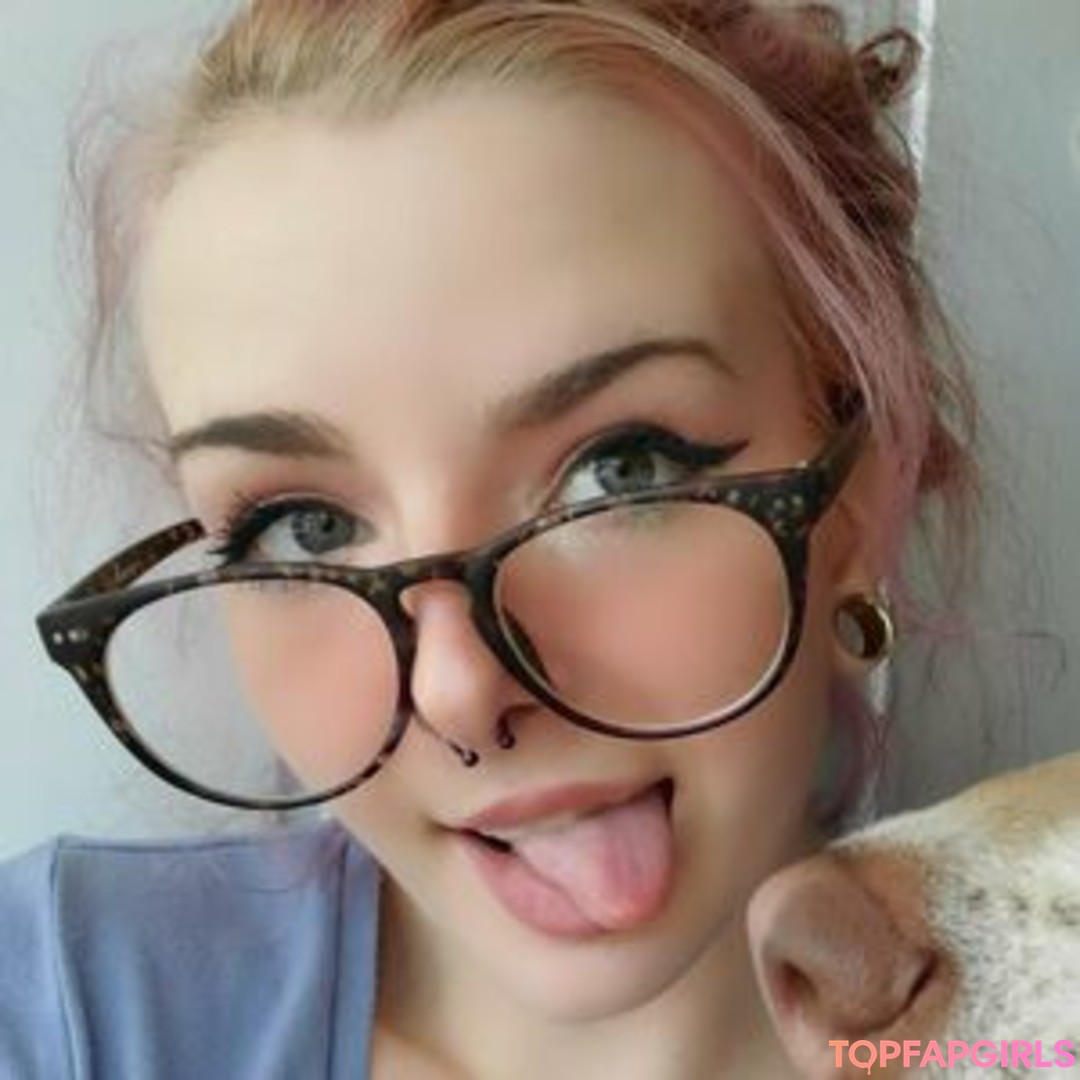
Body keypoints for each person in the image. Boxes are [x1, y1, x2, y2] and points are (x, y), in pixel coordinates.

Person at [1, 1, 979, 1076]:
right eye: (302, 530)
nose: (458, 689)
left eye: (623, 467)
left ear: (862, 494)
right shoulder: (63, 1008)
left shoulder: (1028, 1039)